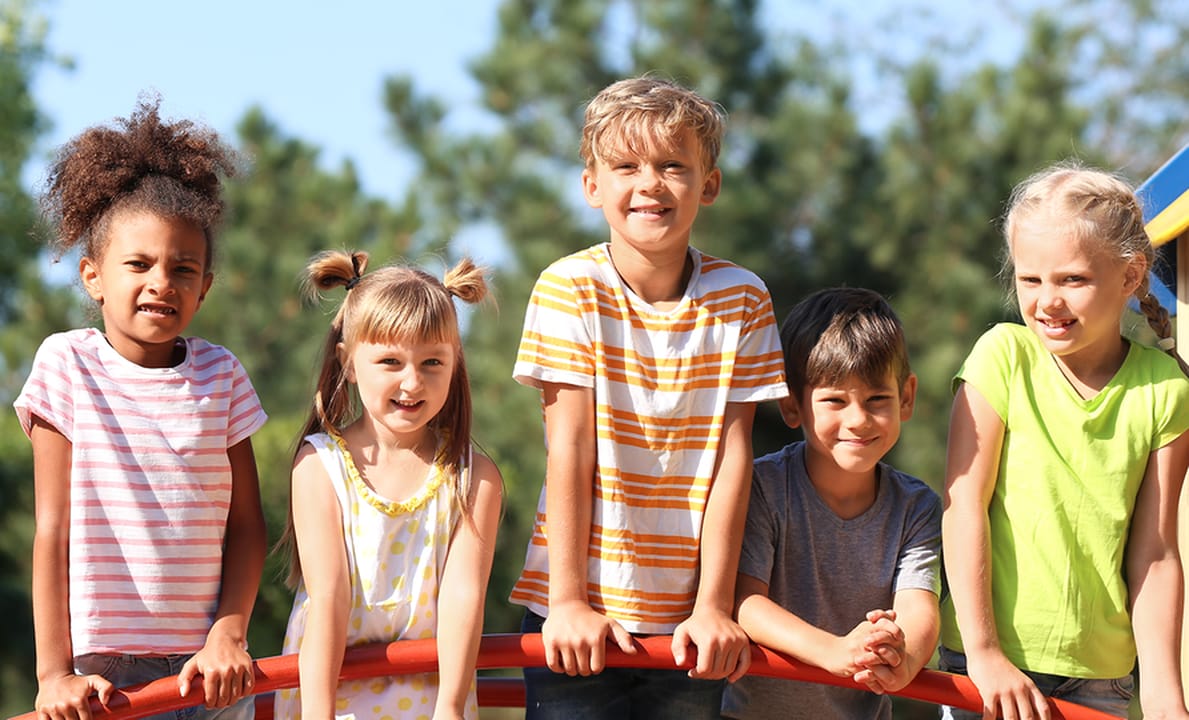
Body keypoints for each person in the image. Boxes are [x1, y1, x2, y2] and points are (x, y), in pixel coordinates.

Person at [508, 74, 790, 719]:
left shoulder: (741, 297)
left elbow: (732, 460)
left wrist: (714, 606)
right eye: (626, 166)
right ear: (592, 186)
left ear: (708, 184)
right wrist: (571, 602)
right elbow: (570, 446)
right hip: (578, 605)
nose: (649, 184)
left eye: (672, 166)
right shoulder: (569, 288)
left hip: (688, 614)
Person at [13, 98, 268, 720]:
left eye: (184, 268)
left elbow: (247, 527)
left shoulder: (222, 375)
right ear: (93, 276)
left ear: (204, 287)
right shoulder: (67, 365)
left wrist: (228, 633)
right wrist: (55, 673)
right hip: (105, 674)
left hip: (208, 669)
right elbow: (52, 531)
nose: (162, 281)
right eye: (138, 264)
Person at [940, 162, 1189, 719]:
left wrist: (1166, 696)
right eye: (1031, 280)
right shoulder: (1002, 356)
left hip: (1101, 680)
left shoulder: (1164, 389)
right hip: (988, 668)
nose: (1047, 300)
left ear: (1130, 277)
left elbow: (1156, 554)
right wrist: (983, 653)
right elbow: (963, 509)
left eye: (1072, 280)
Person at [272, 250, 503, 720]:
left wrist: (452, 708)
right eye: (391, 361)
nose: (412, 382)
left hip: (429, 695)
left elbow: (464, 596)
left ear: (455, 363)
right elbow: (329, 596)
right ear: (350, 363)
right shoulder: (320, 466)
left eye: (432, 362)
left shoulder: (474, 477)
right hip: (330, 692)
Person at [720, 287, 942, 720]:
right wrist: (836, 651)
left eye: (878, 399)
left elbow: (919, 606)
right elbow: (745, 603)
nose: (858, 419)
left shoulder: (917, 507)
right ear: (791, 404)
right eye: (835, 401)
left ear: (907, 397)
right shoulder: (764, 486)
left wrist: (904, 658)